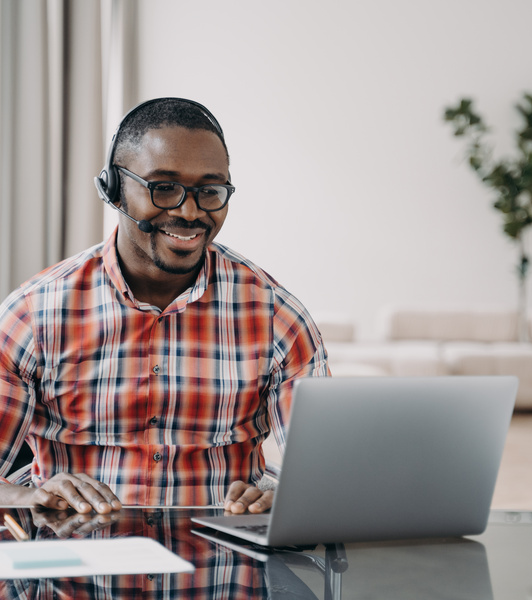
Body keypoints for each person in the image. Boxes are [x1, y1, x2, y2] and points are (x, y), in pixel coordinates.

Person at [0, 97, 329, 515]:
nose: (189, 212)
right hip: (76, 570)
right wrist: (22, 494)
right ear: (114, 188)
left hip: (225, 572)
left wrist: (289, 497)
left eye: (209, 191)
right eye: (164, 188)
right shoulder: (34, 314)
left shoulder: (277, 318)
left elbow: (323, 477)